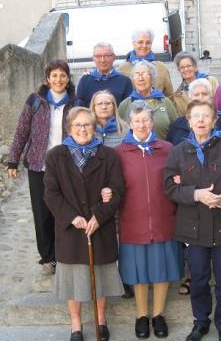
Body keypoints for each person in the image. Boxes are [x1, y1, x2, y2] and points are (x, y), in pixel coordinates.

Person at [164, 100, 221, 341]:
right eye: (196, 116)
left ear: (215, 121)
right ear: (188, 121)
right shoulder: (178, 151)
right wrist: (196, 194)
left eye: (206, 116)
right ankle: (200, 322)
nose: (201, 120)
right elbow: (169, 188)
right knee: (199, 278)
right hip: (194, 226)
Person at [44, 107, 125, 341]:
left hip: (101, 227)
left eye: (87, 125)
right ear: (69, 128)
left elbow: (117, 190)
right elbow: (51, 194)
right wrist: (73, 218)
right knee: (72, 280)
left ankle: (101, 319)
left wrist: (99, 215)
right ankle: (76, 325)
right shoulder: (56, 156)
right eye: (78, 125)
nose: (83, 129)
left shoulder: (108, 155)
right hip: (70, 229)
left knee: (101, 275)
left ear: (95, 127)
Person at [115, 101, 183, 339]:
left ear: (152, 122)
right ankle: (141, 315)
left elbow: (178, 178)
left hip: (164, 218)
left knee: (161, 269)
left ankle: (158, 314)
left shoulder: (167, 148)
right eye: (137, 121)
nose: (142, 124)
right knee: (139, 272)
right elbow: (114, 186)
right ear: (129, 123)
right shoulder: (120, 152)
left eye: (145, 120)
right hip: (132, 220)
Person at [8, 59, 77, 276]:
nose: (58, 79)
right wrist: (13, 160)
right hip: (38, 164)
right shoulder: (35, 101)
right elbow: (21, 131)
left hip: (66, 166)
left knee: (64, 210)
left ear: (68, 79)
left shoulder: (76, 103)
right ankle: (48, 257)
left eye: (63, 75)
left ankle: (64, 253)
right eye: (54, 75)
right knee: (42, 212)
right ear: (48, 79)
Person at [89, 90, 134, 299]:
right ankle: (101, 280)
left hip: (119, 192)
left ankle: (124, 279)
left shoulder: (125, 130)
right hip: (94, 193)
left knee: (122, 235)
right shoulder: (87, 131)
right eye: (100, 104)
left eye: (109, 103)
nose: (105, 106)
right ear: (93, 107)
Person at [167, 78, 221, 146]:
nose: (200, 97)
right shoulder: (177, 126)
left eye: (204, 94)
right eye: (196, 95)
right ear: (190, 99)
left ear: (211, 97)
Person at [118, 60, 178, 140]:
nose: (140, 78)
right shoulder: (125, 104)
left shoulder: (165, 102)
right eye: (137, 74)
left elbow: (177, 129)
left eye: (144, 74)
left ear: (152, 78)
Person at [116, 28, 173, 97]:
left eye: (148, 42)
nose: (144, 46)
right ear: (133, 44)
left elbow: (170, 96)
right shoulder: (122, 69)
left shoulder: (161, 68)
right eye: (140, 42)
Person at [77, 42, 133, 107]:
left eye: (107, 56)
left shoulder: (125, 81)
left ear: (114, 57)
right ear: (93, 58)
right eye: (98, 56)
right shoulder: (85, 80)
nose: (103, 60)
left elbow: (128, 109)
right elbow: (79, 107)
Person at [171, 51, 219, 116]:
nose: (186, 69)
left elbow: (219, 104)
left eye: (189, 66)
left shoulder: (211, 81)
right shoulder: (178, 95)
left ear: (195, 67)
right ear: (179, 70)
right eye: (182, 67)